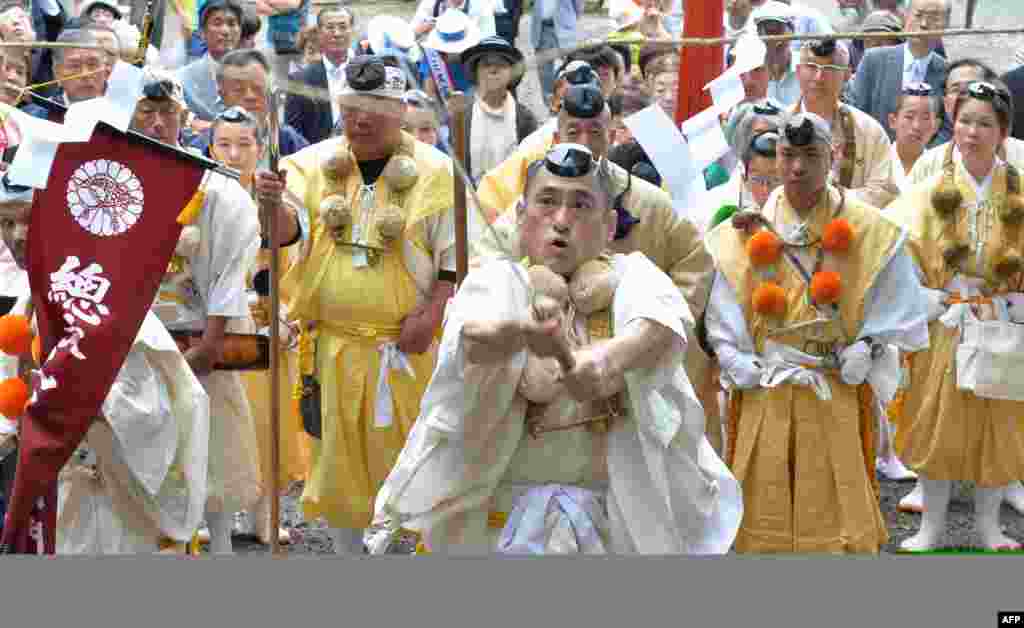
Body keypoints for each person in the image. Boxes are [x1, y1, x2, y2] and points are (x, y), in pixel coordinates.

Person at [367, 143, 742, 555]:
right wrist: (521, 334)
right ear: (521, 218)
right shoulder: (501, 279)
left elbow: (665, 326)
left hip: (609, 513)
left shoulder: (632, 274)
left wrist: (606, 358)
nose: (561, 221)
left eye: (581, 205)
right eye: (547, 203)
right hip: (504, 512)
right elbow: (471, 337)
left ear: (609, 225)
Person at [257, 55, 457, 554]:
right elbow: (286, 235)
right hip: (331, 348)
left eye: (376, 107)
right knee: (337, 465)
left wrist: (431, 315)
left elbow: (456, 259)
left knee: (411, 463)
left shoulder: (436, 171)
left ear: (402, 108)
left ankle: (403, 556)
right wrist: (269, 204)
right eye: (351, 108)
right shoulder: (308, 165)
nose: (361, 119)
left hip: (405, 349)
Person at [703, 111, 930, 553]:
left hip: (835, 389)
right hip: (767, 385)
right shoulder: (743, 232)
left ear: (836, 155)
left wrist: (869, 345)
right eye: (788, 155)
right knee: (763, 501)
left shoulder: (870, 228)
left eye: (811, 155)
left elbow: (898, 306)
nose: (797, 168)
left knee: (835, 508)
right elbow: (723, 308)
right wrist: (732, 357)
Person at [475, 83, 723, 455]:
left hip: (621, 391)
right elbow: (487, 269)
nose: (561, 219)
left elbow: (688, 270)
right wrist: (520, 308)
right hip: (538, 395)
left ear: (611, 134)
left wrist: (643, 335)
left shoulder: (646, 205)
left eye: (595, 131)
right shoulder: (528, 205)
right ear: (556, 135)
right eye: (573, 131)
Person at [0, 184, 210, 555]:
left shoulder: (109, 304)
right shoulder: (23, 305)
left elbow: (152, 413)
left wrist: (71, 404)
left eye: (28, 220)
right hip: (52, 501)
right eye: (5, 222)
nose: (17, 235)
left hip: (111, 503)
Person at [885, 80, 1024, 551]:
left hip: (1004, 320)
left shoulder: (1020, 188)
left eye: (984, 123)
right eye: (965, 121)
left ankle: (989, 527)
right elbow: (894, 247)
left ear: (1002, 131)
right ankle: (933, 527)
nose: (972, 132)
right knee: (936, 420)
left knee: (999, 423)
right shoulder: (928, 189)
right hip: (945, 318)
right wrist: (925, 295)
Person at [135, 73, 264, 555]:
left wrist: (212, 340)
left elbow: (233, 268)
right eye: (146, 112)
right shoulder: (111, 180)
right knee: (144, 448)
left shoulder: (216, 188)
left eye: (167, 112)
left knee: (211, 446)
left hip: (196, 334)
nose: (156, 122)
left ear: (184, 119)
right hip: (134, 338)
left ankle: (223, 546)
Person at [207, 106, 310, 546]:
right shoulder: (201, 195)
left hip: (269, 322)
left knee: (270, 425)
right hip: (219, 323)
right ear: (210, 148)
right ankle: (216, 518)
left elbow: (299, 261)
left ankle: (265, 515)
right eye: (224, 144)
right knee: (223, 425)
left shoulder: (278, 197)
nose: (234, 154)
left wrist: (290, 315)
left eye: (244, 144)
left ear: (262, 147)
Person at [792, 38, 899, 210]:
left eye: (830, 69)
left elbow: (884, 191)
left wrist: (831, 199)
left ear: (847, 75)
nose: (819, 77)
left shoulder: (869, 131)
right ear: (797, 71)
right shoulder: (778, 124)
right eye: (811, 67)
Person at [848, 0, 951, 147]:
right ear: (906, 17)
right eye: (918, 15)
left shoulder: (948, 73)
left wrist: (925, 159)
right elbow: (856, 114)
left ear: (945, 27)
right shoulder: (873, 60)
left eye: (933, 18)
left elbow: (947, 128)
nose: (923, 24)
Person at [187, 49, 309, 159]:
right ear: (222, 95)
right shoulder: (201, 148)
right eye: (239, 90)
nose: (250, 96)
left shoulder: (290, 142)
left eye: (257, 88)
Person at [460, 36, 538, 184]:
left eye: (501, 65)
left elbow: (533, 169)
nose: (493, 70)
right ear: (476, 72)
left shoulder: (525, 119)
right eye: (486, 65)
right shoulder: (460, 116)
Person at [284, 6, 356, 147]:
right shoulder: (299, 80)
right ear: (319, 33)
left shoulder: (368, 72)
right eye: (330, 27)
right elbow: (293, 134)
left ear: (352, 31)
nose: (337, 33)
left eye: (343, 27)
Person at [176, 0, 244, 123]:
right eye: (217, 24)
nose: (225, 31)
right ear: (202, 33)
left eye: (231, 24)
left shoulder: (255, 77)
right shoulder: (182, 79)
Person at [887, 82, 942, 194]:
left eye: (925, 118)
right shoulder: (877, 161)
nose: (916, 126)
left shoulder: (941, 168)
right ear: (893, 121)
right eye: (909, 117)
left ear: (936, 126)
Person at [530, 0, 584, 110]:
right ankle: (552, 108)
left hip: (564, 28)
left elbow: (578, 4)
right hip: (542, 29)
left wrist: (571, 17)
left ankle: (571, 106)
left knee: (571, 69)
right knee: (544, 73)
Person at [48, 28, 110, 107]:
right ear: (57, 73)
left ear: (105, 69)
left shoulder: (123, 111)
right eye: (75, 66)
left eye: (92, 64)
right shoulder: (39, 115)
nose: (85, 74)